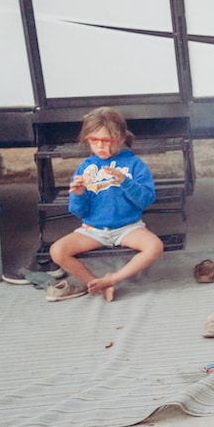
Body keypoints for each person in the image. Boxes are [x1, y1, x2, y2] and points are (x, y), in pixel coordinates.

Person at [48, 107, 161, 302]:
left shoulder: (135, 165)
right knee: (57, 251)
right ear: (87, 140)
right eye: (94, 140)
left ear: (121, 138)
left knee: (155, 247)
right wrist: (78, 195)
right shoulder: (85, 167)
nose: (101, 147)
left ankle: (113, 279)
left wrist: (125, 182)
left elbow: (146, 200)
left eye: (108, 141)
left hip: (128, 227)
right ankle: (97, 284)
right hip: (93, 229)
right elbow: (78, 211)